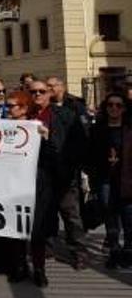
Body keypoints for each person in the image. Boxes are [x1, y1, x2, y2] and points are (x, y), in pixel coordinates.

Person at [27, 79, 89, 270]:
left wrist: (49, 139)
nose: (37, 95)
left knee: (71, 215)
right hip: (37, 176)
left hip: (63, 174)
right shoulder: (25, 116)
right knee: (45, 214)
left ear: (49, 94)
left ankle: (79, 252)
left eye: (42, 91)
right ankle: (47, 247)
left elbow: (79, 144)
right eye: (33, 92)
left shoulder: (66, 115)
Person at [6, 90, 54, 287]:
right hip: (12, 183)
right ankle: (19, 266)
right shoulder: (3, 126)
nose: (7, 109)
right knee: (16, 227)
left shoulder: (37, 127)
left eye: (12, 106)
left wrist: (47, 138)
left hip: (37, 184)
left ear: (24, 107)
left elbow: (53, 157)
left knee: (37, 229)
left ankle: (39, 269)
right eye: (7, 106)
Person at [86, 93, 132, 268]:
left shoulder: (129, 129)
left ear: (124, 109)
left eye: (118, 105)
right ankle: (114, 250)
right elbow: (90, 154)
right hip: (105, 179)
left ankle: (128, 250)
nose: (114, 108)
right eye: (110, 105)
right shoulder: (98, 129)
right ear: (106, 108)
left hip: (127, 179)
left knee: (129, 217)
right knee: (110, 215)